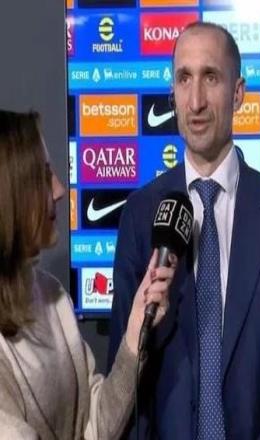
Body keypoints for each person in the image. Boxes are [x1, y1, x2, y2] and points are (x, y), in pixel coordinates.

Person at [107, 21, 260, 439]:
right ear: (172, 93)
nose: (196, 101)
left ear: (237, 93)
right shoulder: (140, 214)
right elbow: (123, 384)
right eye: (184, 79)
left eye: (211, 77)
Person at [0, 109, 174, 439]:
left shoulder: (52, 296)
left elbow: (98, 425)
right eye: (44, 176)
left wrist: (134, 334)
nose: (59, 190)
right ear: (11, 195)